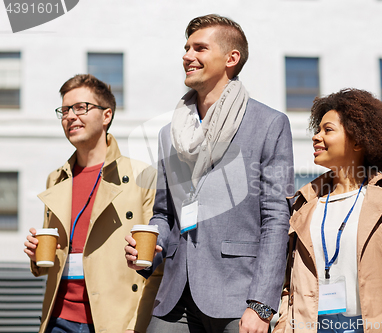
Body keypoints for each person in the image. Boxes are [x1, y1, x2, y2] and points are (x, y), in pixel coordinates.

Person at [124, 14, 294, 333]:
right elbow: (164, 214)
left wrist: (261, 305)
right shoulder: (168, 133)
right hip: (175, 294)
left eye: (199, 48)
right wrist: (151, 244)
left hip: (237, 296)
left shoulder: (269, 124)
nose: (187, 56)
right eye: (186, 48)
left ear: (231, 58)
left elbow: (276, 218)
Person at [23, 74, 158, 333]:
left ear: (106, 115)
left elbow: (156, 263)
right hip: (58, 319)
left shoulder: (142, 176)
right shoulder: (57, 178)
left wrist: (135, 324)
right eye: (64, 110)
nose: (70, 116)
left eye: (81, 107)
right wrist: (35, 253)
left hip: (114, 321)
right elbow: (52, 259)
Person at [273, 89, 382, 333]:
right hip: (312, 326)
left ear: (358, 140)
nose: (316, 137)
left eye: (328, 130)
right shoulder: (304, 203)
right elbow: (289, 282)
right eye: (318, 130)